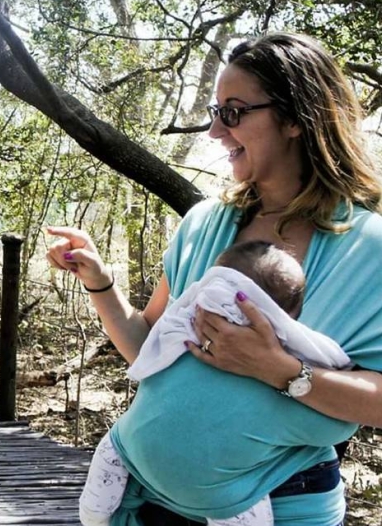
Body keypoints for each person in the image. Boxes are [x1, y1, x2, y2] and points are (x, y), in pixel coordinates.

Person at [46, 32, 382, 525]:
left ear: (294, 119)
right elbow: (149, 348)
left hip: (285, 502)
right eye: (214, 110)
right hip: (153, 499)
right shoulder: (204, 224)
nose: (214, 132)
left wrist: (281, 370)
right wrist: (100, 281)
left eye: (233, 112)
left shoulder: (370, 249)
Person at [79, 241, 352, 526]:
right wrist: (292, 372)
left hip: (131, 456)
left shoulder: (175, 338)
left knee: (110, 456)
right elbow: (336, 427)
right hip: (222, 496)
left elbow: (143, 355)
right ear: (287, 319)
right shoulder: (273, 384)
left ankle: (93, 516)